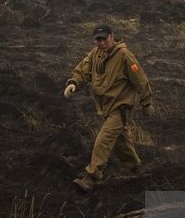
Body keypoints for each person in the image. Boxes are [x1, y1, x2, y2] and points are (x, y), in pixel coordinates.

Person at [63, 24, 154, 192]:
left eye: (104, 38)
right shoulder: (95, 54)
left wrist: (146, 102)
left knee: (103, 140)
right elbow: (83, 70)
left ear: (112, 37)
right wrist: (74, 82)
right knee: (121, 141)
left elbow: (140, 79)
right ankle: (136, 168)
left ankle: (91, 177)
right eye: (98, 39)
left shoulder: (124, 56)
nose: (101, 42)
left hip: (120, 108)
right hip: (105, 107)